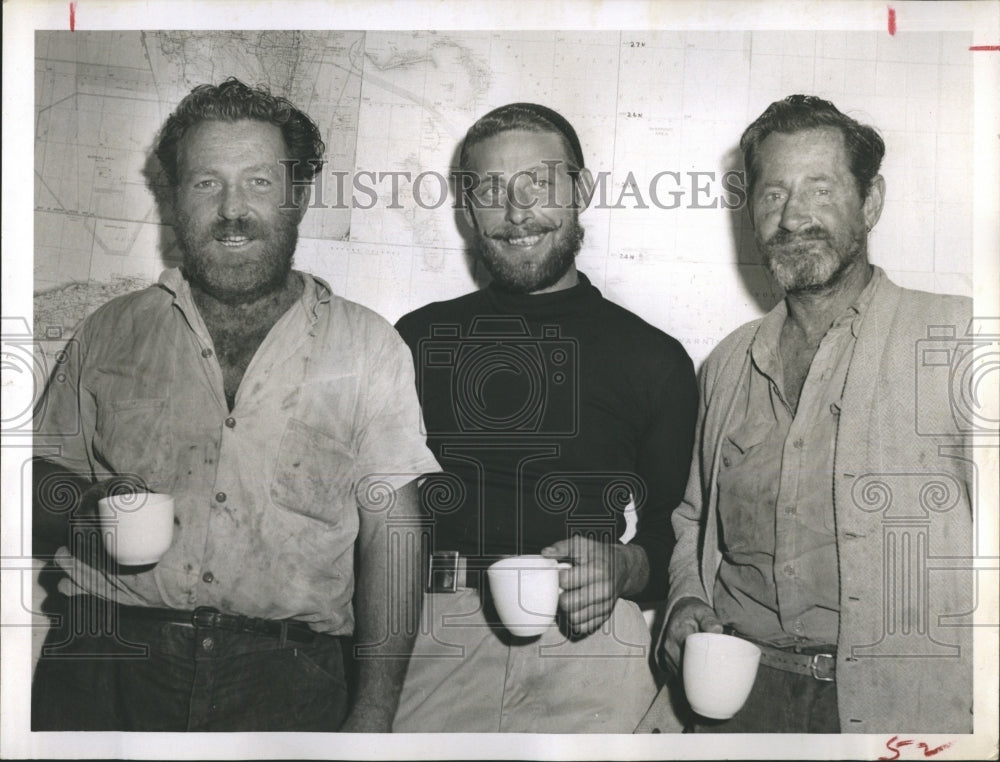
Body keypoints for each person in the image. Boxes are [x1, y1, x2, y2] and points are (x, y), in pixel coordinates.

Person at [30, 78, 440, 732]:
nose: (232, 208)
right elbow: (31, 488)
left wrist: (374, 712)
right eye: (205, 183)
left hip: (288, 683)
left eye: (258, 181)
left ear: (298, 197)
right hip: (101, 665)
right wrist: (85, 509)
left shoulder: (369, 347)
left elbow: (394, 539)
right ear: (174, 199)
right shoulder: (109, 330)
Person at [641, 94, 974, 734]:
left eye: (820, 191)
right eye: (773, 195)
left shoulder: (956, 339)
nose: (793, 217)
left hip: (897, 709)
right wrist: (685, 598)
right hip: (735, 706)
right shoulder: (727, 364)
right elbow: (692, 520)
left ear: (870, 202)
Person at [392, 103, 698, 733]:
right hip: (434, 638)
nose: (516, 210)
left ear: (581, 191)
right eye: (491, 190)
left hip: (592, 647)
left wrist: (624, 567)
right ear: (467, 209)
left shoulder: (655, 358)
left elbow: (678, 535)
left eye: (540, 182)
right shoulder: (415, 338)